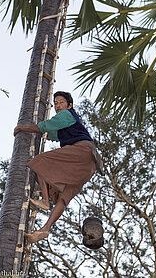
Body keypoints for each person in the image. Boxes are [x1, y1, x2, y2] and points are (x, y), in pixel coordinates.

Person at [14, 91, 103, 243]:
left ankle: (45, 201)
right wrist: (46, 134)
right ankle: (45, 229)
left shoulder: (67, 115)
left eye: (61, 102)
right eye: (55, 103)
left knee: (39, 162)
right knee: (63, 198)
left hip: (82, 152)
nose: (58, 105)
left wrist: (23, 127)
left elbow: (43, 126)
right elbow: (53, 134)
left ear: (70, 105)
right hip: (89, 165)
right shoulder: (67, 122)